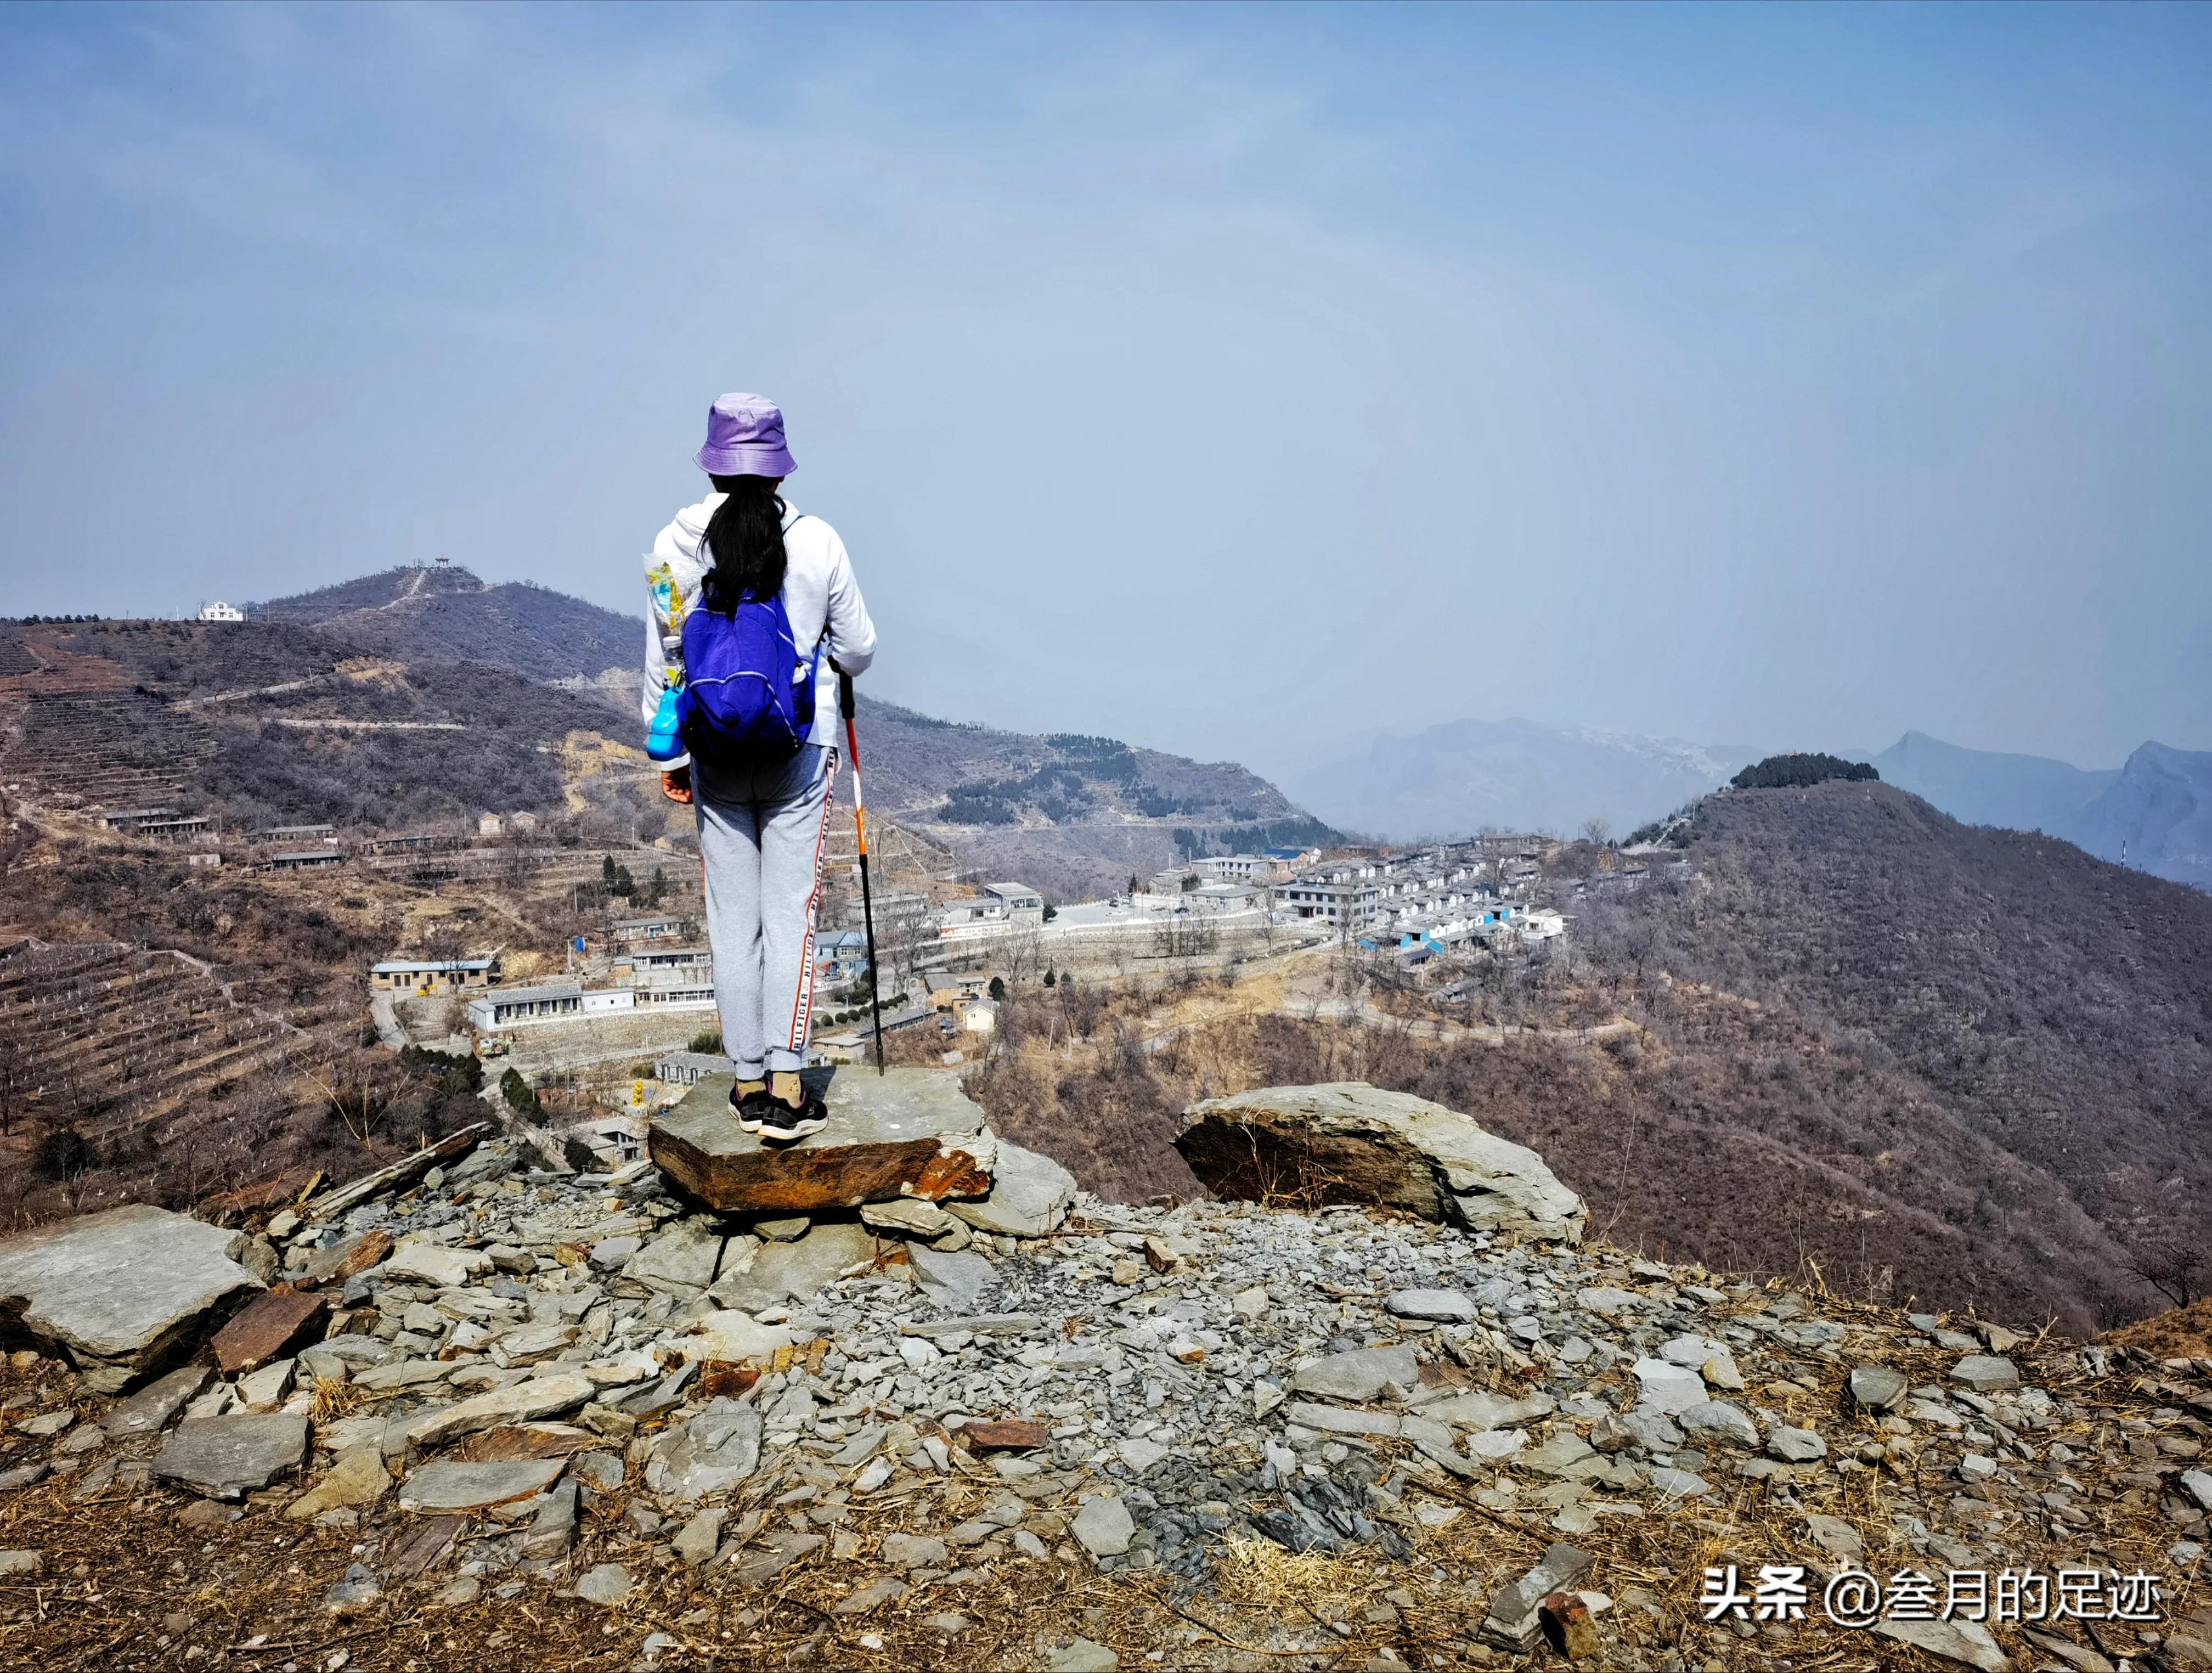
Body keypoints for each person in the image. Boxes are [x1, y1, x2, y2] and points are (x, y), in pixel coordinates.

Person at [642, 393, 876, 1141]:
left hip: (712, 752)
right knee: (791, 917)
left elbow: (664, 663)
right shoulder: (817, 541)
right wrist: (827, 662)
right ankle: (787, 1085)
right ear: (778, 467)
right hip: (800, 750)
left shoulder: (671, 547)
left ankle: (744, 1083)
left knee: (731, 922)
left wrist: (674, 755)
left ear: (713, 464)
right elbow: (862, 645)